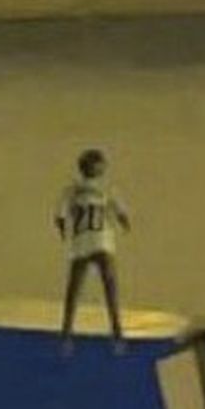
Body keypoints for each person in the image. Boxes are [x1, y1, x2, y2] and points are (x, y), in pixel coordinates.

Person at [55, 149, 130, 354]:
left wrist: (63, 229)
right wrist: (124, 223)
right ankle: (116, 336)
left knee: (75, 290)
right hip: (101, 240)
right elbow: (121, 212)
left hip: (82, 242)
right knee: (109, 288)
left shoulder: (72, 189)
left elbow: (60, 215)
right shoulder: (106, 188)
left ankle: (67, 336)